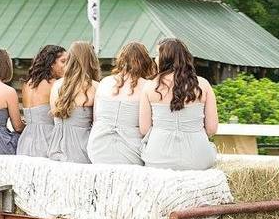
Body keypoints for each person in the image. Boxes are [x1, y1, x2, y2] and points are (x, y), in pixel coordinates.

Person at [139, 38, 218, 170]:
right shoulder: (203, 85)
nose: (155, 59)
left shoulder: (149, 87)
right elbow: (211, 129)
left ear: (166, 58)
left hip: (158, 158)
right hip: (198, 159)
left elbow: (144, 130)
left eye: (158, 54)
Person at [88, 42, 155, 165]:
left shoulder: (104, 82)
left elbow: (95, 119)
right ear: (145, 61)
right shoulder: (148, 86)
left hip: (97, 147)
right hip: (131, 150)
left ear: (121, 60)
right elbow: (146, 128)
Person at [48, 41, 100, 163]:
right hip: (82, 148)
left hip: (56, 147)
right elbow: (98, 122)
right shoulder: (95, 87)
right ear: (91, 60)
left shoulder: (57, 85)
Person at [16, 44, 66, 158]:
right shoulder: (54, 85)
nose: (67, 66)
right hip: (47, 139)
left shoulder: (27, 84)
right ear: (52, 63)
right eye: (63, 61)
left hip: (26, 139)